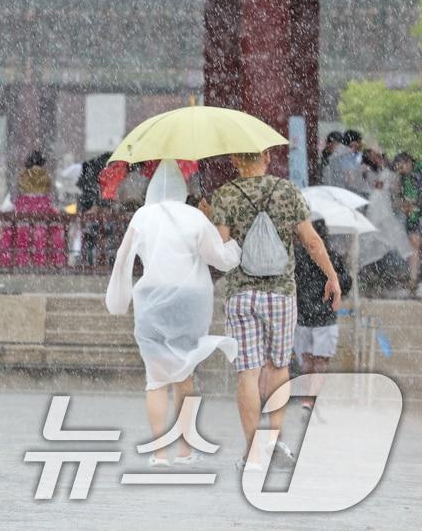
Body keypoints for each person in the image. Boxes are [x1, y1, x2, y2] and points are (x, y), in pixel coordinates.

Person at [210, 150, 341, 472]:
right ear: (266, 156)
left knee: (248, 372)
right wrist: (331, 275)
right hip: (280, 294)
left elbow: (221, 252)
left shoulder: (225, 194)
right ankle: (272, 441)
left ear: (235, 160)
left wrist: (212, 224)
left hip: (241, 294)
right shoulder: (286, 190)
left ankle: (252, 455)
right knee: (278, 366)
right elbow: (311, 241)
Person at [107, 163, 241, 465]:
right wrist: (231, 243)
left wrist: (119, 299)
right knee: (185, 373)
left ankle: (158, 452)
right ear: (181, 188)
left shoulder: (142, 216)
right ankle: (184, 448)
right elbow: (219, 258)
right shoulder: (195, 216)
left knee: (155, 379)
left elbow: (123, 256)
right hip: (191, 301)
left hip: (153, 299)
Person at [294, 217, 353, 414]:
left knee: (307, 360)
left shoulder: (297, 256)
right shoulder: (333, 257)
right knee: (321, 361)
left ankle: (306, 397)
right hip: (325, 318)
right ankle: (311, 399)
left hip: (302, 316)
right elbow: (345, 284)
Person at [0, 151, 66, 267]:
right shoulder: (47, 179)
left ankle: (20, 263)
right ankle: (43, 264)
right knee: (42, 243)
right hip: (42, 223)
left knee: (22, 244)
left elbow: (9, 204)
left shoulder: (21, 178)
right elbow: (56, 202)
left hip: (22, 222)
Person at [394, 153, 422, 296]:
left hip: (416, 215)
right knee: (414, 245)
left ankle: (414, 279)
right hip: (412, 217)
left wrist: (413, 205)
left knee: (414, 245)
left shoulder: (418, 173)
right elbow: (401, 196)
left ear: (408, 162)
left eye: (401, 166)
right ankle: (413, 279)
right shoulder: (406, 176)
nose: (400, 170)